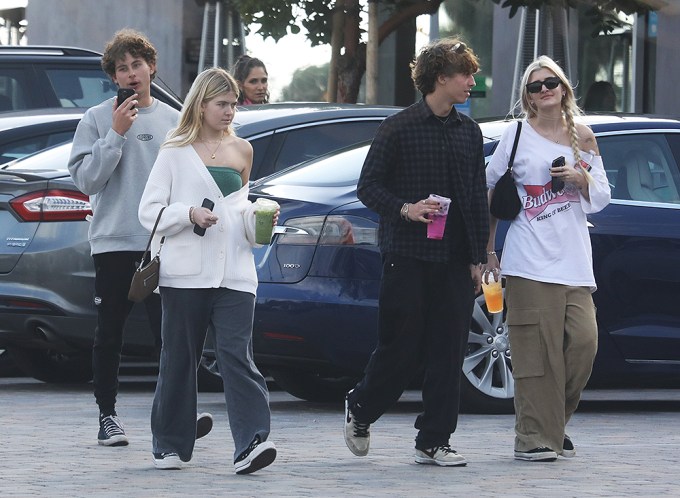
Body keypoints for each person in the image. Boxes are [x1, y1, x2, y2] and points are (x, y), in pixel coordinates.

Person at [343, 38, 489, 467]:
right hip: (406, 255)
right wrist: (406, 209)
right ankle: (362, 407)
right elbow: (367, 187)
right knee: (401, 348)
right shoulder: (398, 127)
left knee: (448, 350)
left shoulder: (470, 131)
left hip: (455, 258)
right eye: (465, 74)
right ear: (440, 78)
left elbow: (476, 198)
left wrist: (480, 258)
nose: (471, 81)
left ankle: (434, 439)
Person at [67, 28, 208, 448]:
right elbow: (86, 181)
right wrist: (115, 133)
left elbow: (189, 178)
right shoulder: (96, 118)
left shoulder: (174, 119)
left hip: (163, 243)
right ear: (114, 77)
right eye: (122, 68)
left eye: (137, 65)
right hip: (113, 242)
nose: (130, 74)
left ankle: (176, 409)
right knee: (110, 333)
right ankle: (107, 416)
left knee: (171, 334)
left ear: (152, 67)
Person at [138, 67, 278, 474]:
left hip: (235, 272)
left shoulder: (243, 151)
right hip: (185, 274)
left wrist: (260, 219)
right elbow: (148, 212)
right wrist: (188, 213)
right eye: (222, 104)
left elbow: (241, 214)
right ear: (201, 104)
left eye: (233, 104)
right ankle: (168, 442)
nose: (230, 112)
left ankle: (252, 442)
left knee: (238, 355)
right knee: (179, 358)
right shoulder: (174, 151)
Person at [485, 55, 611, 462]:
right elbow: (488, 193)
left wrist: (582, 178)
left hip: (574, 262)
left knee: (584, 344)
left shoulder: (584, 136)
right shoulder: (517, 135)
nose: (544, 90)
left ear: (563, 88)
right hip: (528, 260)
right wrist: (488, 252)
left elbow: (601, 200)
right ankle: (532, 438)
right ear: (528, 96)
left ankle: (552, 423)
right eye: (535, 86)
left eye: (550, 82)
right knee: (535, 355)